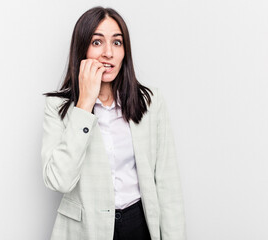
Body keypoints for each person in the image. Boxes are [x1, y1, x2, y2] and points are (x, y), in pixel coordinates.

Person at [41, 6, 186, 240]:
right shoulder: (58, 107)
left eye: (117, 43)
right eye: (97, 42)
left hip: (138, 224)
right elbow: (59, 181)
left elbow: (168, 187)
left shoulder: (150, 102)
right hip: (84, 230)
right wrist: (85, 104)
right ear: (82, 49)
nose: (108, 53)